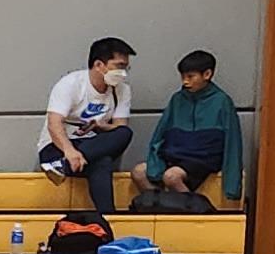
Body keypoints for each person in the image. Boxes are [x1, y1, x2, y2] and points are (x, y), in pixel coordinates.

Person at [43, 37, 141, 211]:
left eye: (126, 67)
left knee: (124, 134)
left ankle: (107, 219)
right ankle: (62, 162)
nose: (123, 73)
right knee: (102, 161)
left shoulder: (122, 90)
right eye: (119, 66)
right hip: (58, 147)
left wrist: (103, 127)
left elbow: (120, 127)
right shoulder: (71, 84)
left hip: (92, 145)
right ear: (99, 65)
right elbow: (54, 124)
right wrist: (69, 151)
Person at [147, 50, 247, 208]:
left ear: (207, 74)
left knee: (172, 177)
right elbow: (159, 136)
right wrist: (154, 166)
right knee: (139, 172)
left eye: (190, 76)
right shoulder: (177, 99)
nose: (185, 82)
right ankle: (164, 208)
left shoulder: (222, 101)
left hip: (204, 158)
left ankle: (197, 209)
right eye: (183, 77)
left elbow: (233, 143)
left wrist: (232, 187)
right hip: (175, 155)